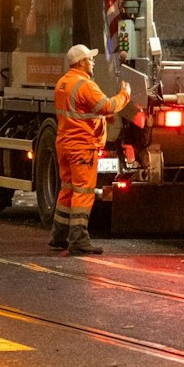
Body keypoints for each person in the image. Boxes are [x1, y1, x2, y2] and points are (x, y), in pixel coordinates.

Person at [51, 44, 131, 255]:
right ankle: (78, 239)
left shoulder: (62, 83)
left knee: (67, 189)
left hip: (65, 144)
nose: (93, 62)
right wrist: (125, 94)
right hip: (82, 147)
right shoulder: (85, 85)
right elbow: (107, 106)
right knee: (83, 192)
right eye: (90, 59)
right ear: (81, 62)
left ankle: (59, 235)